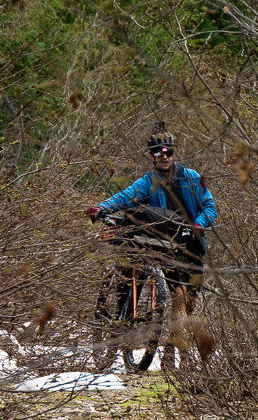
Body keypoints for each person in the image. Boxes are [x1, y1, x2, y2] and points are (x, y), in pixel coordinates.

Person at [84, 125, 216, 366]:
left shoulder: (192, 179)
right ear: (151, 156)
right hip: (164, 245)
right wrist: (102, 207)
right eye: (158, 152)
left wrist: (198, 224)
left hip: (191, 245)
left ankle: (173, 348)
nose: (163, 156)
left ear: (174, 153)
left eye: (168, 152)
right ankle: (180, 358)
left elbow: (210, 207)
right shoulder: (148, 182)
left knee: (189, 302)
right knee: (177, 295)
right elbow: (125, 196)